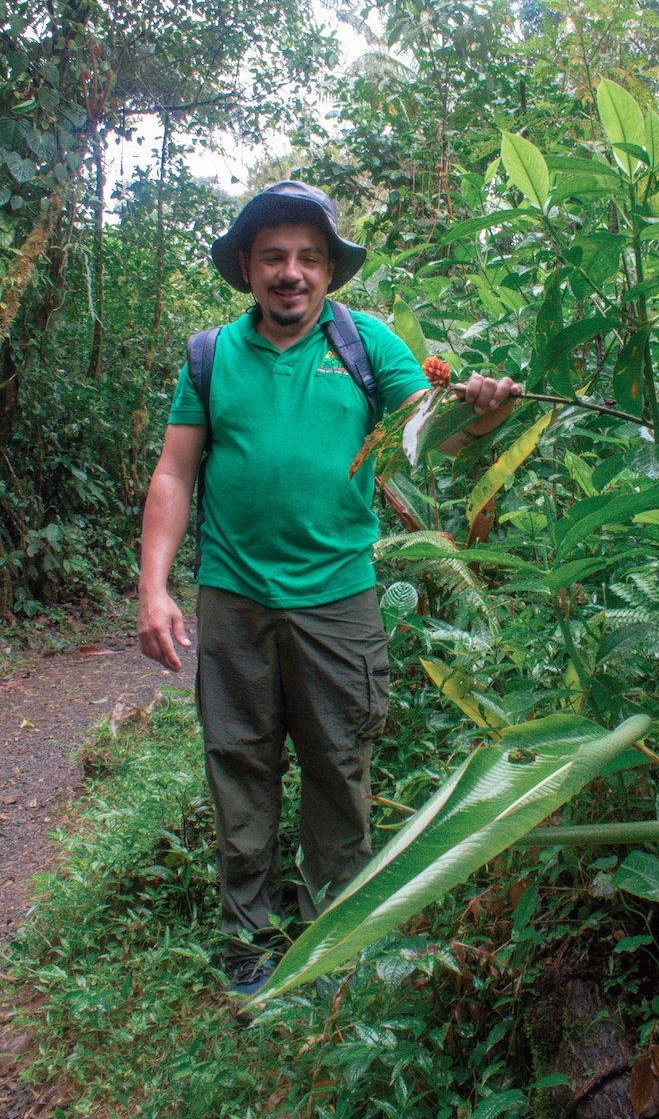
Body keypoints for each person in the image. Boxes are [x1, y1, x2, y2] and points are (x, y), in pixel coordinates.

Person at [137, 181, 520, 996]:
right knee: (238, 765)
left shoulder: (366, 343)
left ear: (328, 272)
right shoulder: (211, 355)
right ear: (247, 266)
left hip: (337, 600)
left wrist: (482, 411)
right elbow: (174, 472)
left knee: (337, 769)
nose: (291, 273)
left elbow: (435, 436)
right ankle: (250, 941)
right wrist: (154, 588)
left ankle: (331, 942)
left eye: (309, 258)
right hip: (233, 598)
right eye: (273, 256)